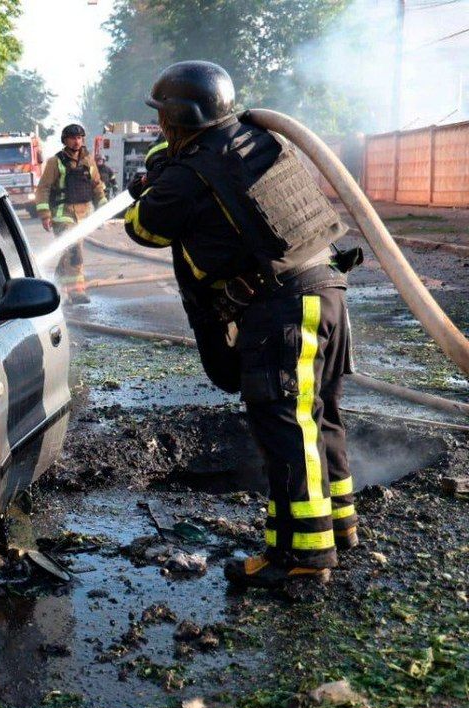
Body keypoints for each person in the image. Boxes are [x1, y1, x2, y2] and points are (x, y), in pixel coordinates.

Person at [123, 61, 360, 590]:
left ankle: (303, 558)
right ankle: (338, 525)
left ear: (177, 119)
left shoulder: (187, 174)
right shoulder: (258, 140)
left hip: (283, 309)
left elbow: (144, 228)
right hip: (328, 290)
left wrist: (155, 182)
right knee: (319, 415)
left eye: (163, 117)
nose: (160, 125)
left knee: (286, 428)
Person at [35, 123, 106, 304]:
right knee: (74, 250)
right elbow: (43, 188)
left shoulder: (88, 161)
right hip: (62, 213)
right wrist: (45, 214)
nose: (77, 141)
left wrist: (103, 208)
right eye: (73, 138)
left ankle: (58, 282)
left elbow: (97, 186)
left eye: (79, 138)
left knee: (69, 252)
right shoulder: (55, 162)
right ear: (65, 140)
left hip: (83, 215)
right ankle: (76, 292)